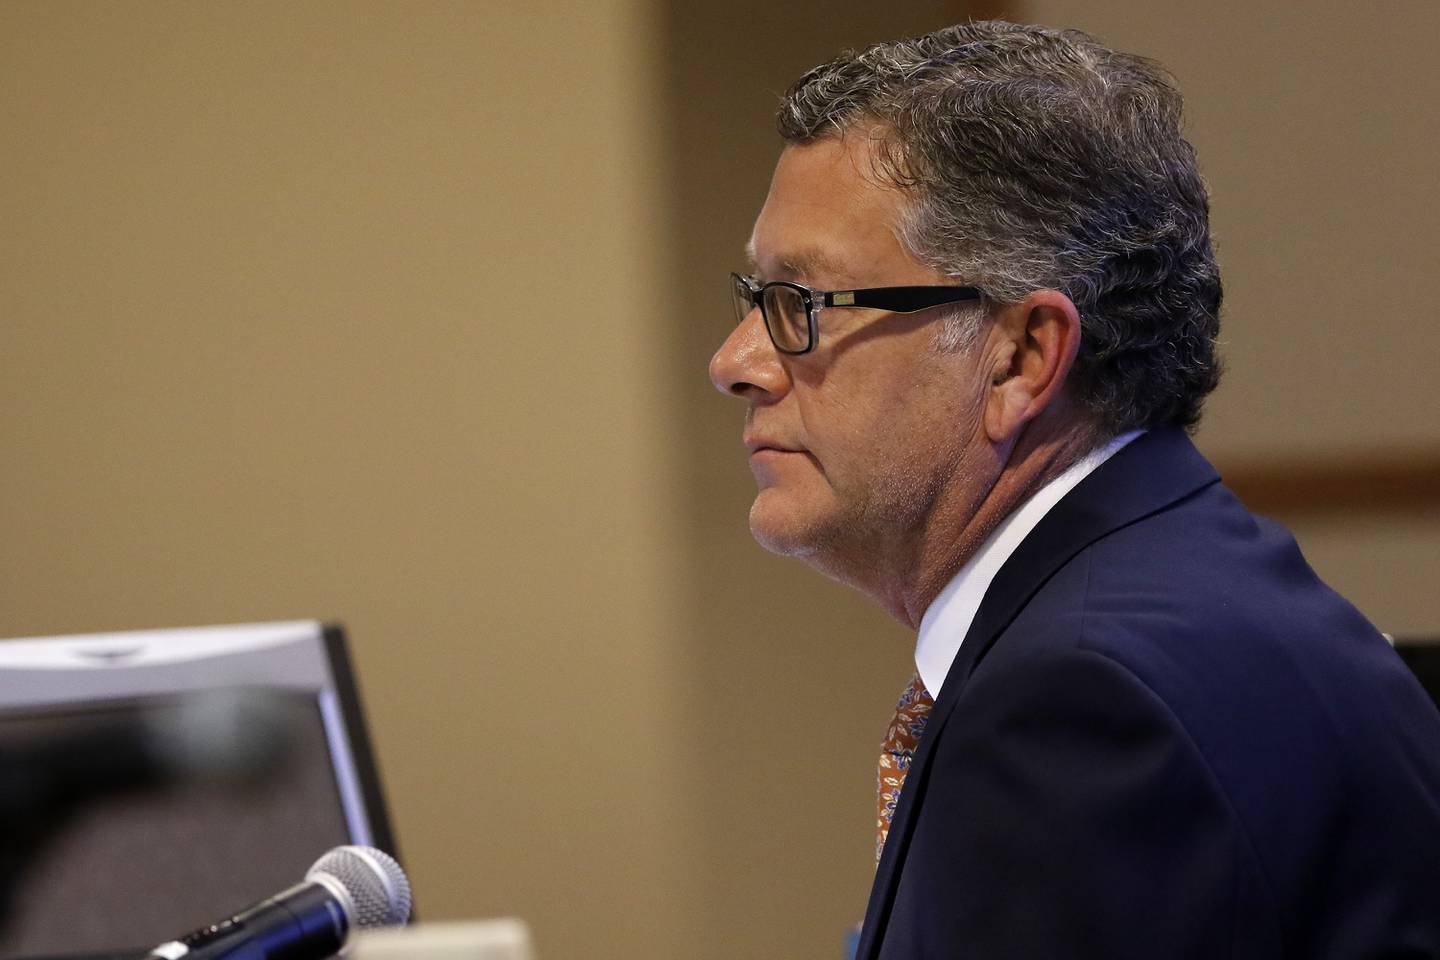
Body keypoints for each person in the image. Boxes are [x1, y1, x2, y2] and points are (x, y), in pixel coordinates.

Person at [708, 20, 1440, 959]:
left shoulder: (1083, 696)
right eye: (752, 298)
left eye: (798, 306)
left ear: (1023, 355)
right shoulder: (1183, 590)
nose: (736, 362)